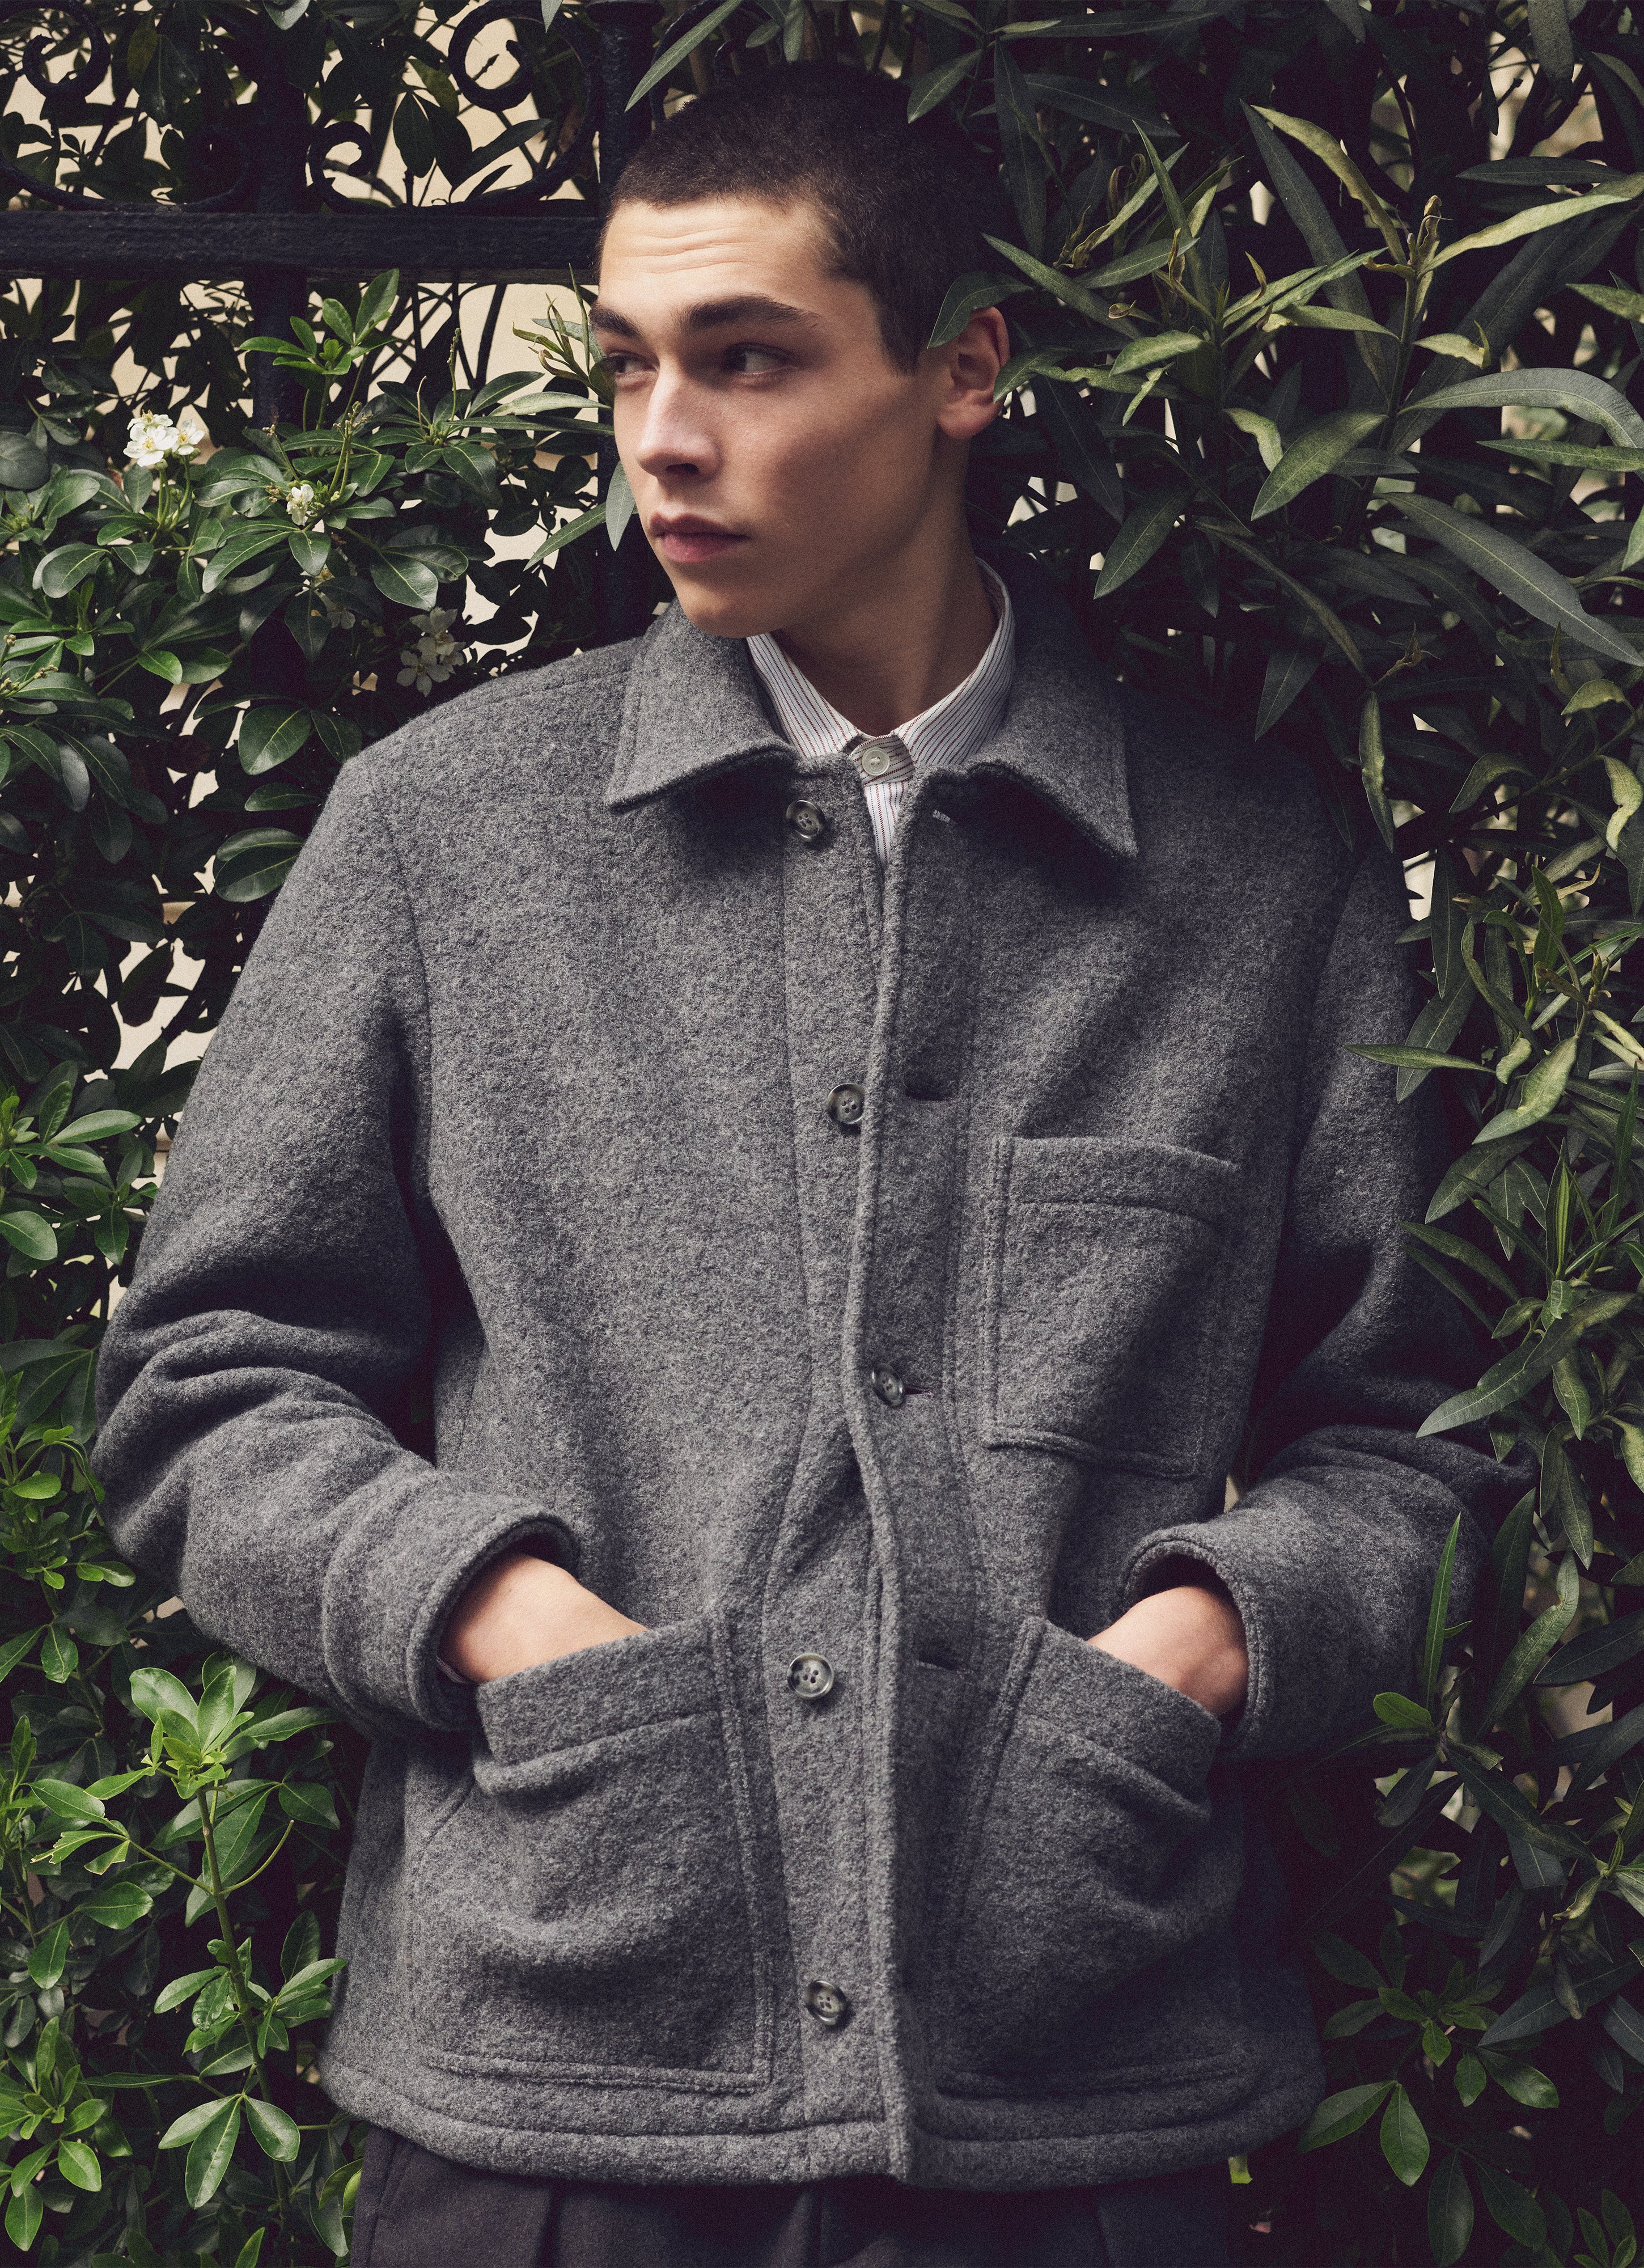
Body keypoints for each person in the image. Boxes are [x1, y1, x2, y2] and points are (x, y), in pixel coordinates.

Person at [93, 62, 1518, 2268]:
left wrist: (1192, 1656)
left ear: (961, 369)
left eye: (746, 359)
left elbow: (1420, 1438)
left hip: (1079, 2093)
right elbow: (208, 1388)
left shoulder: (1254, 870)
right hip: (553, 2087)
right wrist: (499, 1620)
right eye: (626, 364)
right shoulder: (446, 835)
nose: (663, 436)